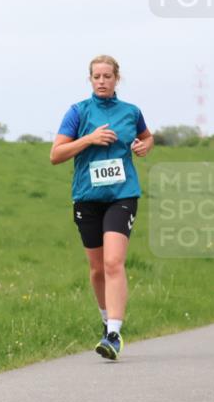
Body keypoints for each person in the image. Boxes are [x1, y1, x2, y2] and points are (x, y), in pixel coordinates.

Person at [50, 55, 154, 360]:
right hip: (87, 197)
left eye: (107, 76)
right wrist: (89, 139)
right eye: (96, 76)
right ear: (90, 79)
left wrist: (145, 146)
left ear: (116, 79)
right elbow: (56, 154)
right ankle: (106, 320)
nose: (102, 81)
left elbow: (147, 137)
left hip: (122, 195)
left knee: (113, 262)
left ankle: (114, 334)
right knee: (97, 269)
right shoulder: (78, 112)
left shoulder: (131, 112)